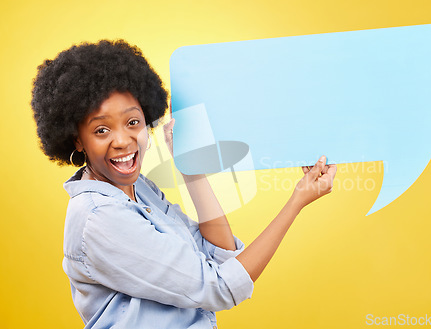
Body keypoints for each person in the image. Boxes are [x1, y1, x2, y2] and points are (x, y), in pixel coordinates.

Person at [31, 39, 337, 329]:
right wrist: (297, 201)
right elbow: (220, 287)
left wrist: (190, 168)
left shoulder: (139, 189)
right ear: (77, 139)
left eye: (133, 122)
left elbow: (219, 253)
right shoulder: (100, 218)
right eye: (101, 130)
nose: (123, 140)